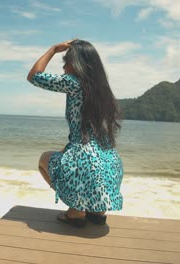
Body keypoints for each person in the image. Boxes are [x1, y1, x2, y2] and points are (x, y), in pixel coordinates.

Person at [27, 39, 124, 228]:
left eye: (66, 62)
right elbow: (90, 136)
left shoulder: (74, 83)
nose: (64, 67)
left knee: (43, 160)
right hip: (112, 165)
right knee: (79, 161)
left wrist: (54, 49)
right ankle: (97, 213)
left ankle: (76, 211)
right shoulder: (103, 90)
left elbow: (34, 76)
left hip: (85, 164)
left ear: (79, 64)